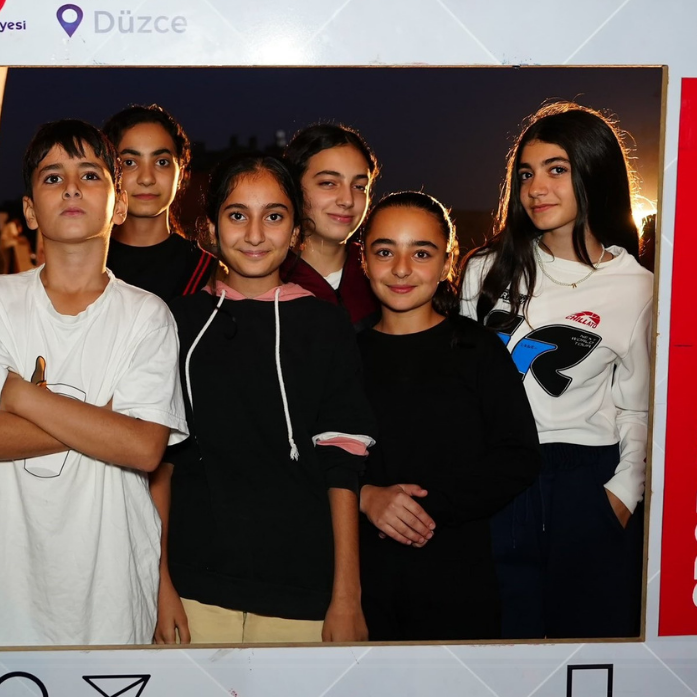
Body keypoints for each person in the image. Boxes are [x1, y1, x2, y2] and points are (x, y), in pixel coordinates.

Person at [0, 120, 188, 647]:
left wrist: (22, 397)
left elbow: (144, 449)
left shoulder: (148, 316)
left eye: (90, 175)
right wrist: (106, 419)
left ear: (119, 205)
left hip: (111, 592)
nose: (72, 188)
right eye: (53, 177)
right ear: (30, 210)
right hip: (2, 591)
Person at [157, 153, 375, 645]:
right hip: (194, 592)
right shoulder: (175, 322)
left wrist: (346, 596)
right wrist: (160, 584)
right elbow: (161, 465)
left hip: (301, 592)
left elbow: (342, 466)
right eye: (237, 215)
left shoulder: (326, 325)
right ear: (210, 228)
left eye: (274, 216)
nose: (255, 234)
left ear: (296, 230)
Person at [460, 102, 652, 639]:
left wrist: (621, 495)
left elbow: (637, 407)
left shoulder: (638, 287)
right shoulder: (485, 269)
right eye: (526, 174)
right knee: (499, 645)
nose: (536, 188)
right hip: (496, 480)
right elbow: (460, 387)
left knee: (585, 650)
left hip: (583, 480)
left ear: (594, 171)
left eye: (556, 169)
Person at [355, 191, 540, 641]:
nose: (402, 269)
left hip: (459, 581)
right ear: (363, 260)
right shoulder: (342, 352)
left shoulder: (478, 349)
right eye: (385, 251)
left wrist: (425, 506)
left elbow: (518, 457)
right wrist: (364, 496)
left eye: (421, 253)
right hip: (363, 583)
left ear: (447, 262)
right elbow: (312, 457)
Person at [101, 105, 216, 302]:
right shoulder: (88, 263)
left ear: (181, 174)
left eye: (161, 162)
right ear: (110, 172)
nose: (147, 178)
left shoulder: (207, 271)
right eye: (129, 162)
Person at [280, 123, 380, 330]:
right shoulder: (269, 276)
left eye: (359, 187)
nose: (347, 200)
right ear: (293, 187)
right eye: (328, 183)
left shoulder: (382, 272)